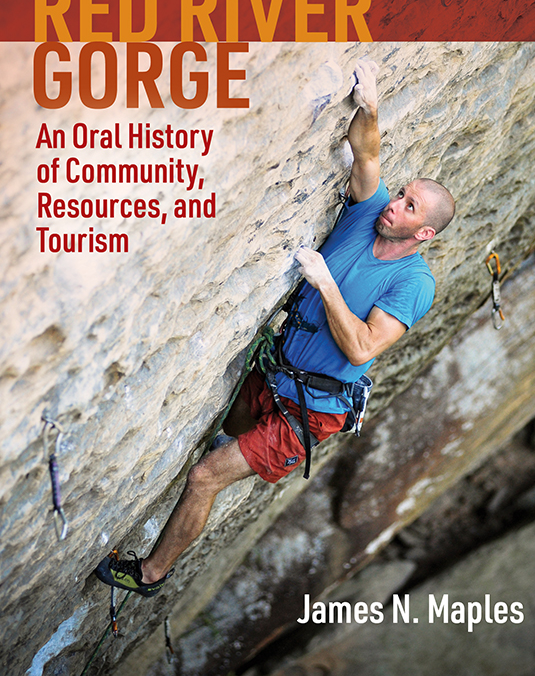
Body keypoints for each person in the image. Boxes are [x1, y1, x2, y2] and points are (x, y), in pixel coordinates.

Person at [95, 60, 455, 597]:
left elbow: (361, 348)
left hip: (314, 409)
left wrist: (325, 281)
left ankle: (150, 574)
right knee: (231, 431)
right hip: (277, 371)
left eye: (408, 206)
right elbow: (367, 153)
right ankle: (232, 454)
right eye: (401, 194)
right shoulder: (368, 212)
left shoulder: (413, 283)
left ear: (422, 232)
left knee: (205, 476)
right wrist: (371, 106)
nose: (394, 205)